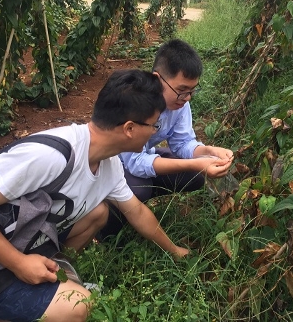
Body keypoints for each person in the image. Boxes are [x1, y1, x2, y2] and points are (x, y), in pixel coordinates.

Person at [0, 69, 189, 322]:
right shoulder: (50, 156)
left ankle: (43, 288)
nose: (154, 132)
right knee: (78, 307)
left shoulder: (109, 165)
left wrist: (174, 250)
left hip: (19, 238)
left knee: (98, 213)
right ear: (129, 128)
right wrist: (19, 264)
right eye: (154, 125)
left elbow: (136, 211)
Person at [98, 39, 234, 239]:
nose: (187, 97)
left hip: (141, 157)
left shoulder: (180, 104)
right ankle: (107, 230)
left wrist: (209, 152)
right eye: (182, 90)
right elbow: (135, 162)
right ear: (158, 79)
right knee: (140, 189)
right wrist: (195, 164)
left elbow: (183, 143)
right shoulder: (134, 103)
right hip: (114, 163)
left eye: (192, 91)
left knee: (195, 176)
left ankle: (136, 205)